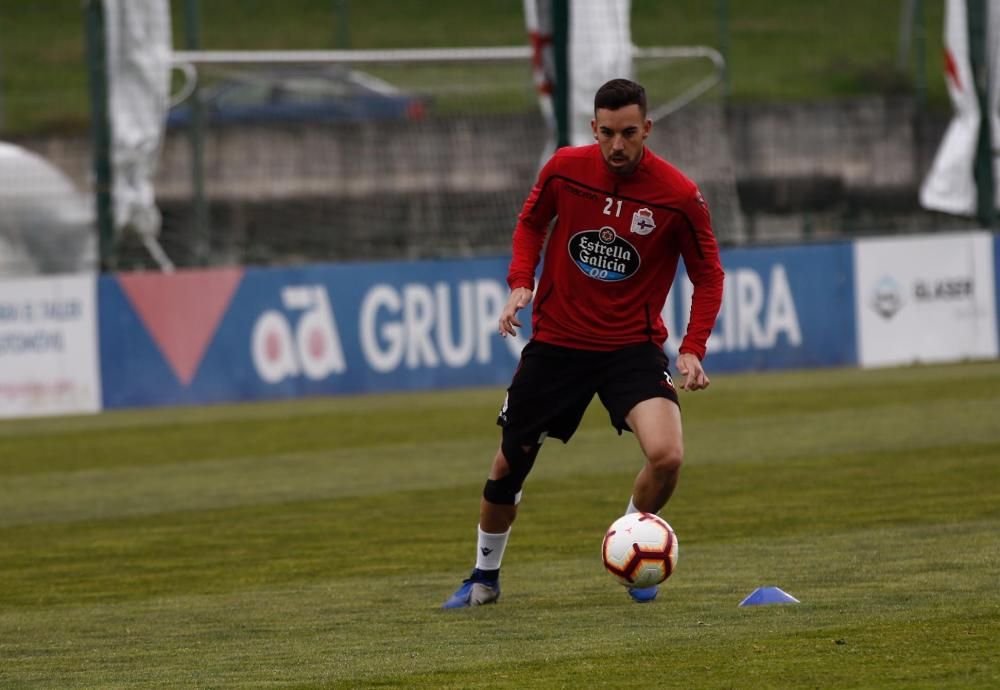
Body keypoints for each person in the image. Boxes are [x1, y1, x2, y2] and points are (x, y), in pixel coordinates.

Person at [442, 78, 724, 607]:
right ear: (594, 128)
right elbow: (531, 224)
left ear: (648, 129)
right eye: (608, 133)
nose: (618, 146)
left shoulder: (679, 195)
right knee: (509, 463)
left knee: (667, 456)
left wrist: (693, 346)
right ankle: (483, 577)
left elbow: (708, 274)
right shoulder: (564, 169)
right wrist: (520, 281)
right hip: (558, 344)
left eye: (630, 133)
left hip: (631, 348)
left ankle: (630, 542)